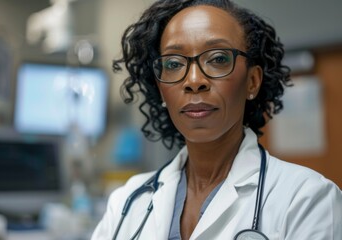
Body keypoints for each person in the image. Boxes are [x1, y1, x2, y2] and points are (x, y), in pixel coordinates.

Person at [91, 0, 342, 239]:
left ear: (252, 82)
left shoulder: (307, 199)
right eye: (174, 63)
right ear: (160, 89)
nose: (193, 81)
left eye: (218, 59)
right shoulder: (128, 200)